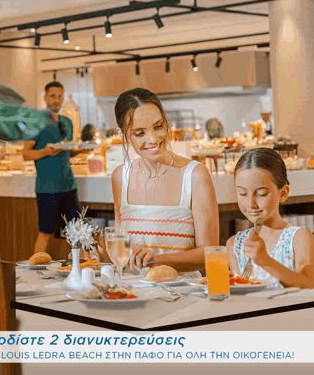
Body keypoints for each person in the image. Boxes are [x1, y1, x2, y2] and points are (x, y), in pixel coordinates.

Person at [111, 87, 219, 271]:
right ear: (124, 135)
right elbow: (120, 248)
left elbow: (209, 254)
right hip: (131, 291)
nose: (153, 139)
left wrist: (157, 260)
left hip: (183, 294)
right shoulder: (121, 177)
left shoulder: (195, 175)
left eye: (158, 126)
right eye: (139, 133)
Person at [227, 147, 314, 288]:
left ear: (283, 193)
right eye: (242, 193)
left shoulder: (299, 238)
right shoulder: (234, 244)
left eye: (261, 194)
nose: (251, 203)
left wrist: (265, 261)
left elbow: (310, 286)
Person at [23, 81, 81, 254]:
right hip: (47, 189)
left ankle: (82, 272)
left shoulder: (67, 122)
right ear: (45, 97)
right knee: (45, 234)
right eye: (53, 96)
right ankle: (35, 275)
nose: (57, 100)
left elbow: (66, 152)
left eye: (60, 96)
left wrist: (79, 151)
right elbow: (26, 153)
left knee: (78, 234)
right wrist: (46, 152)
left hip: (69, 186)